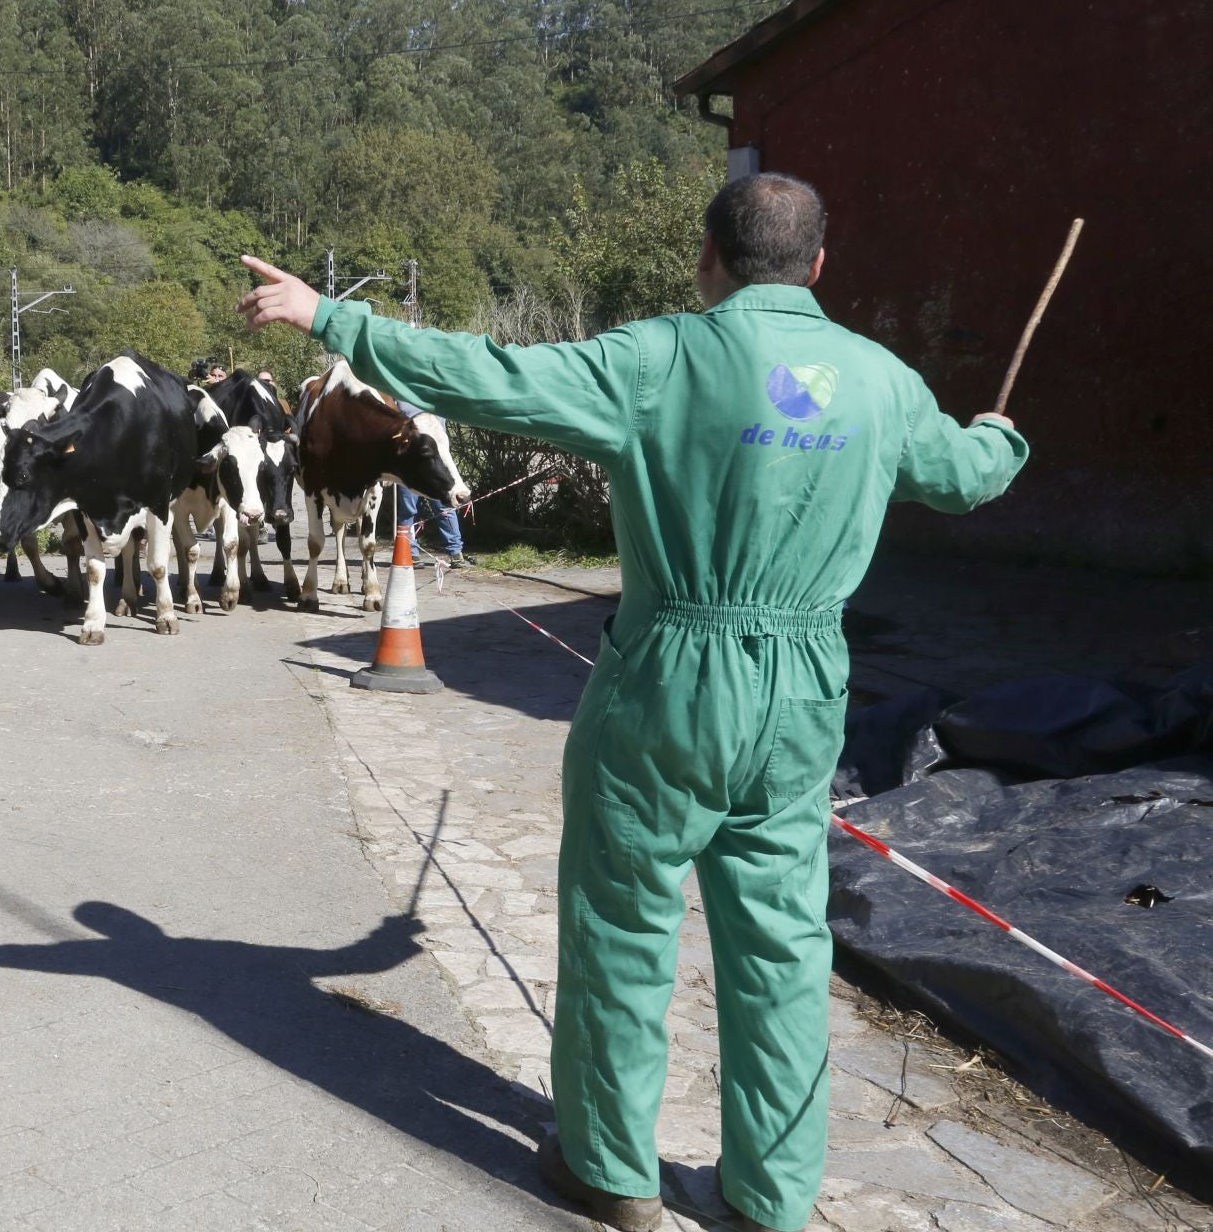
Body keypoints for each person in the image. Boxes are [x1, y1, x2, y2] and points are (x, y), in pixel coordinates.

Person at [238, 173, 1026, 1232]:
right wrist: (1002, 434)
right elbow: (965, 474)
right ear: (820, 267)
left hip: (669, 671)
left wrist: (335, 316)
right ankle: (772, 1195)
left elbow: (490, 375)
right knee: (786, 941)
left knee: (621, 919)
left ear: (708, 258)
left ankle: (611, 1168)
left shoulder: (660, 358)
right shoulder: (881, 380)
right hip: (802, 694)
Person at [394, 399, 472, 568]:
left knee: (445, 504)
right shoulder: (398, 396)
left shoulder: (433, 395)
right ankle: (409, 552)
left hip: (437, 464)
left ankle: (455, 552)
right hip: (411, 464)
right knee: (409, 508)